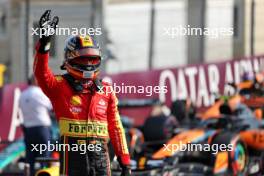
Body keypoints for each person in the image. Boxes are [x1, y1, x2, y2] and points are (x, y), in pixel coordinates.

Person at [33, 10, 131, 176]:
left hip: (100, 157)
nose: (87, 63)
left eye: (91, 58)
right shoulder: (58, 85)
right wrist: (44, 45)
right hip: (72, 157)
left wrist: (125, 162)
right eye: (82, 58)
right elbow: (40, 72)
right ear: (70, 58)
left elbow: (116, 128)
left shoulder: (106, 90)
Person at [19, 76, 52, 176]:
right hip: (42, 128)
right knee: (45, 156)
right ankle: (44, 173)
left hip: (28, 129)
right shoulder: (41, 93)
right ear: (35, 81)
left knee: (30, 158)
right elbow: (51, 107)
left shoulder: (22, 95)